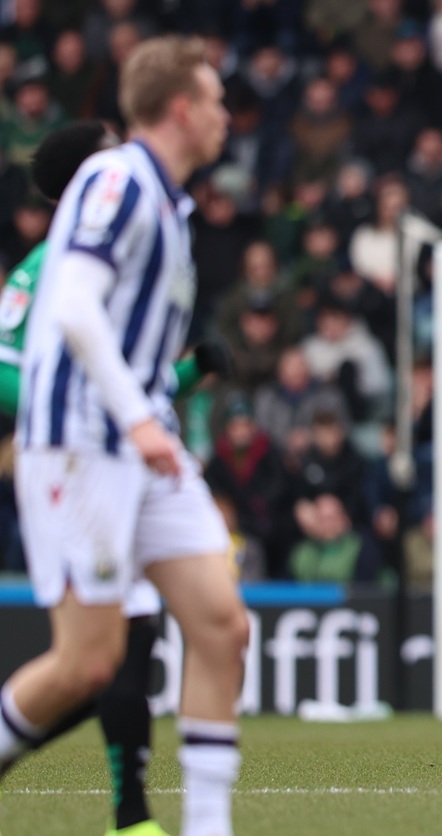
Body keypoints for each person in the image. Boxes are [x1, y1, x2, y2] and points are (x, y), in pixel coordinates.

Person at [0, 37, 249, 836]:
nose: (225, 116)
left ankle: (205, 827)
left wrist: (159, 406)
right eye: (215, 100)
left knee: (222, 625)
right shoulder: (119, 180)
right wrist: (138, 417)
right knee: (89, 663)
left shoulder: (168, 202)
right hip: (81, 443)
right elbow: (74, 306)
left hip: (144, 446)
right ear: (180, 108)